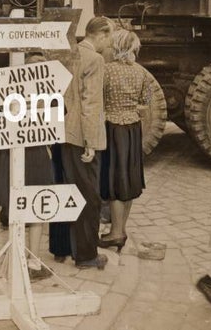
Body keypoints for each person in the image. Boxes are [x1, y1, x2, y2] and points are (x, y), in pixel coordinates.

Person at [0, 53, 55, 280]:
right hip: (29, 153)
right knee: (32, 207)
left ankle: (27, 258)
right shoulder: (41, 93)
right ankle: (27, 259)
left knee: (30, 206)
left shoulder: (16, 91)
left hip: (21, 152)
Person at [59, 16, 112, 269]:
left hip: (66, 132)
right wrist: (91, 142)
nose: (108, 43)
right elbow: (90, 104)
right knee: (89, 197)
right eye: (108, 37)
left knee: (72, 191)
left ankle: (70, 248)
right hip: (83, 137)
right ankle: (87, 255)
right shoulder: (95, 59)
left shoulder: (70, 54)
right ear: (100, 34)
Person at [99, 30, 151, 252]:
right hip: (132, 130)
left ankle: (116, 233)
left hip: (112, 128)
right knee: (128, 181)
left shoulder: (107, 70)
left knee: (113, 182)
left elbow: (97, 99)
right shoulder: (141, 72)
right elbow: (145, 103)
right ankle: (122, 229)